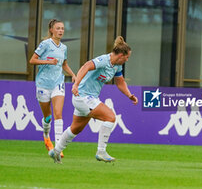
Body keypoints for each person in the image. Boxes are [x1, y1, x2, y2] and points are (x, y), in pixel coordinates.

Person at [48, 36, 138, 164]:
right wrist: (76, 84)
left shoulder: (117, 66)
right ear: (121, 55)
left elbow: (120, 82)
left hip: (89, 98)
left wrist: (129, 95)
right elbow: (86, 66)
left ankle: (56, 151)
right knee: (110, 117)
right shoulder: (103, 60)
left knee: (76, 128)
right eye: (127, 57)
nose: (127, 60)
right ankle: (101, 151)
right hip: (83, 96)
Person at [29, 19, 76, 158]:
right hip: (43, 84)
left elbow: (64, 64)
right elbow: (32, 60)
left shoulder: (63, 48)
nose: (61, 31)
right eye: (58, 28)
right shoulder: (45, 44)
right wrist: (48, 61)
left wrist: (73, 75)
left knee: (58, 114)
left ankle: (58, 148)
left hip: (58, 83)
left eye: (62, 28)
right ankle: (45, 134)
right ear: (51, 30)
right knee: (48, 117)